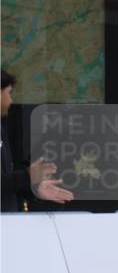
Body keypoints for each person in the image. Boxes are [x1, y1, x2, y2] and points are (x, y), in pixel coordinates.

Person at [1, 70, 74, 211]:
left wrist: (35, 189)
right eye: (9, 92)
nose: (11, 101)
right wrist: (27, 176)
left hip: (8, 223)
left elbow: (7, 183)